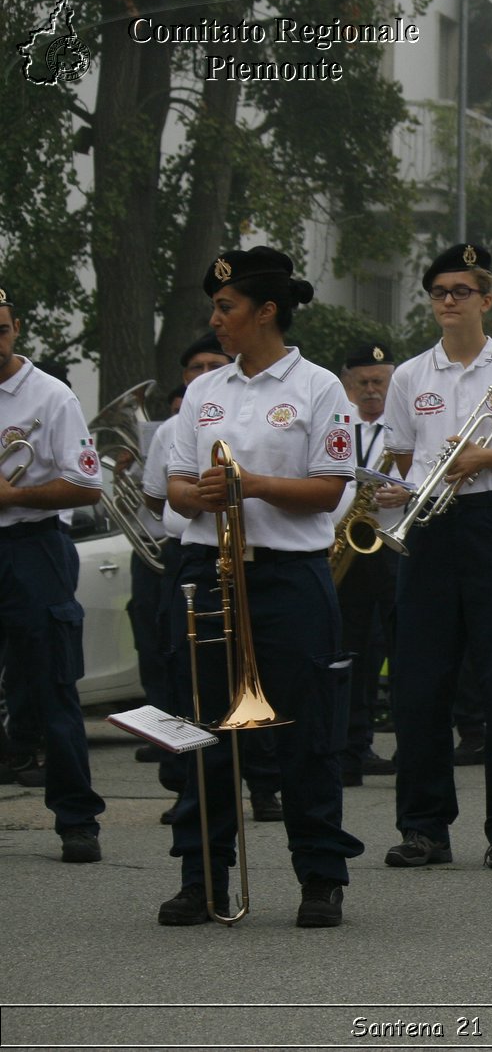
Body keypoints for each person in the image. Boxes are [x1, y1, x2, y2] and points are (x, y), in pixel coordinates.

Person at [159, 247, 364, 926]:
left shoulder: (316, 387)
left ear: (266, 311)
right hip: (210, 570)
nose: (216, 321)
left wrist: (251, 484)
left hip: (286, 573)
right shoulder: (205, 390)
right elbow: (179, 484)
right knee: (203, 728)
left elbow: (329, 490)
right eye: (216, 309)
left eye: (228, 308)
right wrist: (203, 493)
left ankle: (320, 874)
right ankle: (203, 875)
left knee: (307, 731)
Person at [377, 242, 492, 872]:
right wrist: (434, 478)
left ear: (486, 299)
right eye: (438, 293)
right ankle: (424, 826)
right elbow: (403, 456)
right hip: (430, 527)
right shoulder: (409, 376)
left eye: (460, 291)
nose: (448, 302)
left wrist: (483, 460)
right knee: (419, 684)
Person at [139, 334, 274, 824]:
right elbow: (159, 495)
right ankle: (186, 788)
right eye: (194, 366)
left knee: (251, 674)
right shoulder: (174, 427)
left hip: (252, 551)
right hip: (191, 552)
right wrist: (194, 500)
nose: (203, 373)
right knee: (187, 672)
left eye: (212, 363)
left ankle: (263, 786)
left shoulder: (257, 414)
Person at [0, 286, 106, 863]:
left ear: (16, 329)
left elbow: (86, 484)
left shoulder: (50, 395)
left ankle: (76, 818)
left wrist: (13, 494)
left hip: (32, 546)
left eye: (1, 330)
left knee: (54, 683)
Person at [334, 342, 398, 787]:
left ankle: (385, 743)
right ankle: (348, 749)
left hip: (391, 548)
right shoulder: (335, 425)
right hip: (345, 552)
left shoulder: (402, 428)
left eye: (380, 382)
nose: (372, 391)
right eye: (364, 383)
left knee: (393, 649)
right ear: (347, 383)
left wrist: (405, 491)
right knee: (349, 652)